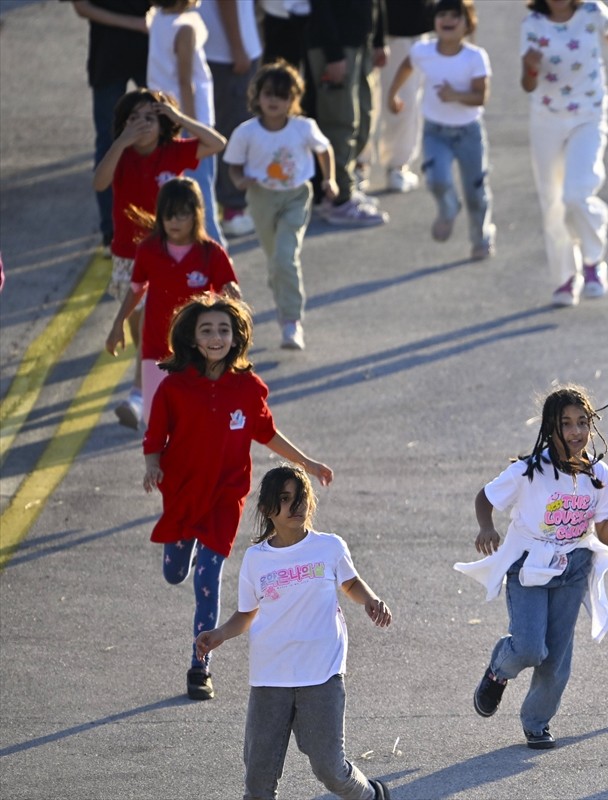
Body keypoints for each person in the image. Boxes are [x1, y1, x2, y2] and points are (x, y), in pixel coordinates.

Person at [144, 292, 334, 701]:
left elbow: (267, 433)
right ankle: (187, 548)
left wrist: (308, 463)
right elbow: (155, 434)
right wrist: (152, 465)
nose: (216, 337)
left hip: (224, 498)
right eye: (207, 330)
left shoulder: (247, 388)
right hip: (182, 494)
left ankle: (200, 665)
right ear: (192, 337)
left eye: (223, 330)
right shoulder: (174, 387)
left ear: (236, 337)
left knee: (207, 579)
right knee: (175, 573)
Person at [455, 385, 608, 749]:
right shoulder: (529, 470)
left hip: (573, 568)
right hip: (528, 565)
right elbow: (485, 497)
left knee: (556, 656)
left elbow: (605, 534)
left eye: (583, 422)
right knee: (530, 648)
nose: (576, 431)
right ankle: (498, 671)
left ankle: (537, 721)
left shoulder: (599, 474)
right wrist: (486, 526)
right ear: (550, 427)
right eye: (566, 424)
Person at [195, 464, 391, 800]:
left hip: (322, 672)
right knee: (258, 782)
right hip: (270, 676)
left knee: (330, 769)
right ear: (266, 508)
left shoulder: (329, 547)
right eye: (285, 499)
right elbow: (247, 613)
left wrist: (370, 600)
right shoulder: (256, 559)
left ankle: (371, 795)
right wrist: (220, 634)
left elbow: (350, 583)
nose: (295, 505)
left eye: (301, 497)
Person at [93, 88, 225, 428]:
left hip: (169, 255)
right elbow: (99, 182)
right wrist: (121, 142)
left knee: (157, 324)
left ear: (163, 123)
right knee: (143, 331)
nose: (142, 124)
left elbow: (216, 143)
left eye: (150, 117)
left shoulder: (173, 151)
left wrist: (180, 118)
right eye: (133, 118)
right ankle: (154, 386)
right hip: (128, 256)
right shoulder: (121, 155)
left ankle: (140, 395)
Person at [519, 0, 608, 306]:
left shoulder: (592, 11)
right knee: (552, 202)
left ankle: (593, 261)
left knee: (576, 194)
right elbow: (527, 84)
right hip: (547, 120)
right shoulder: (532, 24)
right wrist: (530, 67)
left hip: (588, 116)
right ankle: (565, 279)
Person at [104, 176, 239, 429]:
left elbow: (230, 294)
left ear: (196, 215)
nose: (173, 222)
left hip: (199, 351)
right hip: (156, 348)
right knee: (154, 420)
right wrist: (118, 323)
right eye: (168, 215)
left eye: (181, 215)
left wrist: (232, 295)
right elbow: (136, 290)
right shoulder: (148, 250)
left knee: (195, 420)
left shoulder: (212, 253)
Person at [224, 60, 335, 352]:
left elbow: (324, 150)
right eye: (268, 93)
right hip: (261, 198)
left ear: (293, 99)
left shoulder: (303, 127)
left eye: (282, 95)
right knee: (276, 260)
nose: (274, 100)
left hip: (296, 197)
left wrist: (330, 180)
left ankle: (291, 321)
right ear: (257, 96)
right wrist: (239, 181)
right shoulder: (246, 132)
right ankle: (281, 289)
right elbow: (233, 165)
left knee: (285, 257)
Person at [387, 0, 493, 260]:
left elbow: (481, 97)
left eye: (455, 16)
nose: (447, 20)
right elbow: (407, 65)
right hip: (435, 132)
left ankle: (480, 238)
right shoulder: (423, 51)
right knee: (437, 180)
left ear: (468, 23)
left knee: (475, 191)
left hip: (469, 133)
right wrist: (392, 94)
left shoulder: (475, 57)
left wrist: (456, 95)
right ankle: (448, 208)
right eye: (442, 14)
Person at [67, 0, 151, 250]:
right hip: (109, 56)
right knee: (109, 143)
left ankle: (167, 221)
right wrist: (134, 23)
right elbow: (81, 6)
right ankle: (112, 232)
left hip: (152, 51)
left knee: (164, 136)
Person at [146, 0, 226, 246]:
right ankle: (215, 253)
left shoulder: (156, 18)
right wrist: (192, 127)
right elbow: (185, 80)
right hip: (189, 119)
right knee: (201, 194)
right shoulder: (185, 28)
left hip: (164, 119)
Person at [308, 0, 390, 226]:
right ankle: (339, 200)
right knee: (340, 122)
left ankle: (348, 188)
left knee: (362, 120)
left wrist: (379, 39)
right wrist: (333, 54)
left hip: (361, 41)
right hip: (335, 46)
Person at [196, 0, 262, 238]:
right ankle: (233, 210)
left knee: (228, 129)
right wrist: (237, 48)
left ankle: (228, 206)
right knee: (234, 131)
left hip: (222, 49)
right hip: (227, 54)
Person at [373, 0, 433, 193]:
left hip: (408, 23)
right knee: (367, 101)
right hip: (370, 21)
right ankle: (360, 165)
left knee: (403, 99)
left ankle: (396, 165)